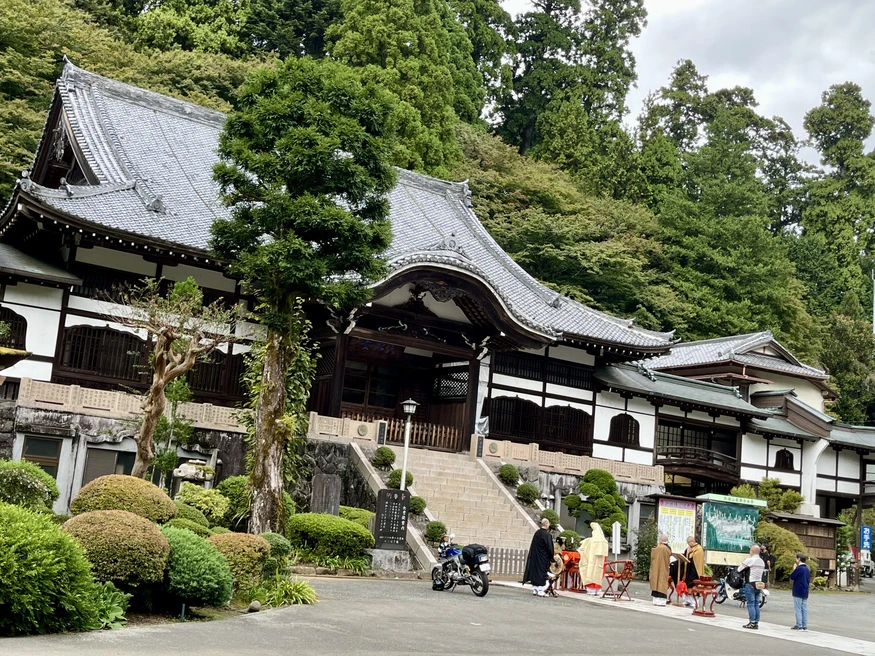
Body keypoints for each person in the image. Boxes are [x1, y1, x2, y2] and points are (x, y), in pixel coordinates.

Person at [523, 518, 554, 597]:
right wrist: (551, 557)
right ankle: (540, 590)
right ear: (547, 525)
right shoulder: (547, 535)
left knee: (535, 571)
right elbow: (550, 548)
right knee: (541, 572)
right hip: (543, 557)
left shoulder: (537, 533)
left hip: (535, 556)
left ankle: (534, 588)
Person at [737, 544, 766, 629]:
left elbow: (739, 569)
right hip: (759, 584)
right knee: (756, 603)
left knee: (750, 603)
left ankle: (752, 622)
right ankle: (756, 622)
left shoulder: (750, 560)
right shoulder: (762, 561)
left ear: (752, 551)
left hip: (751, 583)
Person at [578, 522, 609, 595]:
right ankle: (597, 589)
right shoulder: (604, 541)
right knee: (597, 573)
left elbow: (583, 549)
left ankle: (591, 589)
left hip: (591, 560)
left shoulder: (590, 541)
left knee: (590, 572)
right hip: (599, 561)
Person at [649, 533, 672, 606]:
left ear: (661, 540)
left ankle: (658, 601)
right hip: (663, 567)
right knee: (661, 582)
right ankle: (659, 601)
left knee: (658, 582)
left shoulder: (660, 548)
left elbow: (653, 552)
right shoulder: (668, 548)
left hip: (658, 567)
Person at [789, 553, 810, 631]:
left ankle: (799, 625)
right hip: (805, 590)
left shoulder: (799, 568)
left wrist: (794, 569)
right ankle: (804, 625)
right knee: (804, 608)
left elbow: (792, 576)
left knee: (798, 608)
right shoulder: (807, 569)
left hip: (798, 590)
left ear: (798, 559)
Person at [683, 536, 705, 607]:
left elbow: (695, 557)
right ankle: (688, 600)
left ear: (692, 541)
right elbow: (686, 556)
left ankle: (695, 602)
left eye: (689, 543)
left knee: (694, 585)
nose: (688, 545)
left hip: (695, 570)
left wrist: (690, 552)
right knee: (688, 584)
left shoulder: (699, 548)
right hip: (689, 569)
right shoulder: (689, 548)